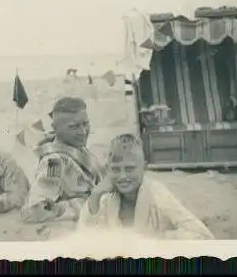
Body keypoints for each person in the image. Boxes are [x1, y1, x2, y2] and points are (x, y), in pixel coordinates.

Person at [77, 133, 215, 240]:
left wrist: (158, 238)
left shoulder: (157, 194)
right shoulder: (106, 198)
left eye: (130, 169)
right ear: (108, 169)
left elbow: (202, 235)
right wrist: (95, 195)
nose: (122, 176)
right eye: (115, 169)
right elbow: (84, 238)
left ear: (144, 167)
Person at [21, 97, 105, 223]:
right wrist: (79, 205)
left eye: (85, 124)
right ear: (56, 128)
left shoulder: (78, 148)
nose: (83, 131)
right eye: (74, 127)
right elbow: (36, 209)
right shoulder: (54, 162)